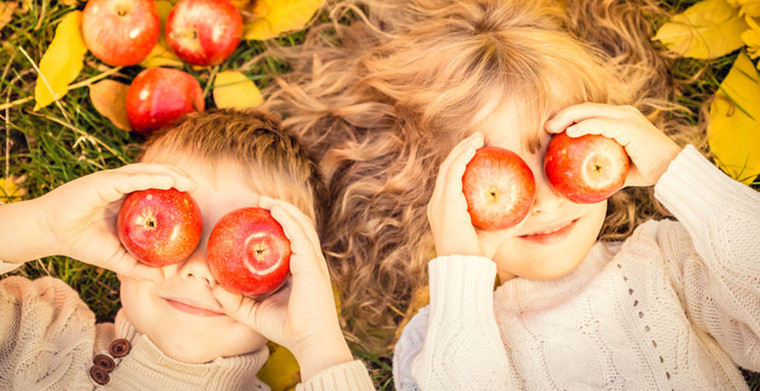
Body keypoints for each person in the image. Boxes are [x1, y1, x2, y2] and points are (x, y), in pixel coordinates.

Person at [260, 0, 760, 388]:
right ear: (436, 193)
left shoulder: (666, 261)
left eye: (560, 151)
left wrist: (677, 172)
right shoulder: (440, 338)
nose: (545, 200)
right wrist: (460, 273)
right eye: (504, 173)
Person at [0, 109, 375, 390]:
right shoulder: (40, 333)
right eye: (180, 236)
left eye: (233, 251)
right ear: (121, 236)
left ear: (292, 279)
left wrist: (317, 341)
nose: (201, 269)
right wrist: (42, 226)